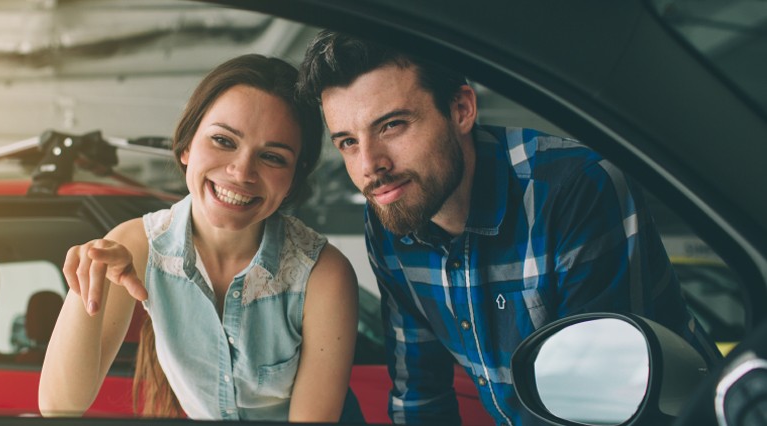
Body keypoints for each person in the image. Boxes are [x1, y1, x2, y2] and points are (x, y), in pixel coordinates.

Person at [296, 31, 721, 425]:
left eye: (391, 125)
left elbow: (607, 404)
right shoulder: (392, 210)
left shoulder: (573, 189)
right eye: (348, 142)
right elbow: (420, 394)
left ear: (461, 109)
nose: (370, 166)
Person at [38, 54, 363, 422]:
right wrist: (86, 285)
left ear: (293, 180)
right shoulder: (137, 246)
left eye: (272, 157)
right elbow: (58, 406)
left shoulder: (322, 274)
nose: (241, 172)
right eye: (223, 140)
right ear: (186, 146)